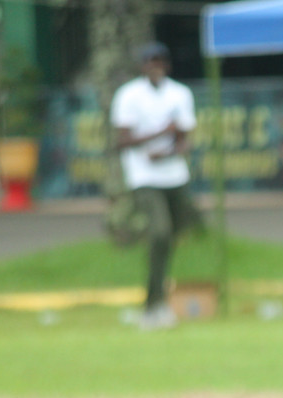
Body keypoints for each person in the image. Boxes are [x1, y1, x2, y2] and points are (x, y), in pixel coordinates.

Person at [110, 42, 201, 330]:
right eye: (150, 61)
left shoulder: (180, 93)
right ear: (142, 65)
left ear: (167, 64)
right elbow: (122, 140)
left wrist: (170, 152)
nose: (155, 65)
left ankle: (160, 300)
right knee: (160, 232)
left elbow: (185, 139)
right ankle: (152, 305)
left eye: (160, 60)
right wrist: (161, 133)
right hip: (143, 176)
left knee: (171, 237)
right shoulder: (129, 95)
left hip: (175, 175)